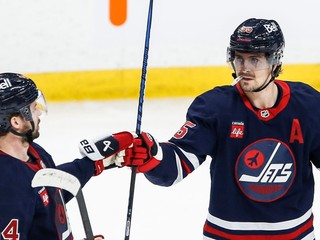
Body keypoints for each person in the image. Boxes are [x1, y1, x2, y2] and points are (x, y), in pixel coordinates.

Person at [112, 18, 320, 239]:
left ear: (275, 62)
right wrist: (151, 155)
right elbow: (176, 166)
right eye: (239, 58)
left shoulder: (307, 105)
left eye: (255, 59)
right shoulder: (216, 107)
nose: (245, 68)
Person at [0, 72, 134, 240]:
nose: (39, 114)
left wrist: (92, 164)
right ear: (16, 122)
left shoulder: (33, 152)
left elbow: (48, 194)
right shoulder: (7, 187)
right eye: (34, 108)